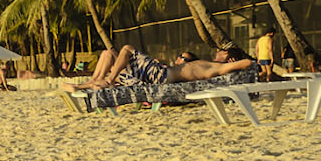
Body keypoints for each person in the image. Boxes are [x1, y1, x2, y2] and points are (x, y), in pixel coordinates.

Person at [64, 43, 253, 91]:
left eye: (224, 51)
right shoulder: (207, 64)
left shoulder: (214, 68)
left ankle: (106, 81)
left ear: (230, 60)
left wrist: (250, 64)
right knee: (108, 54)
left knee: (127, 49)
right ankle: (88, 84)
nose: (220, 51)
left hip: (162, 76)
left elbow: (246, 63)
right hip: (159, 75)